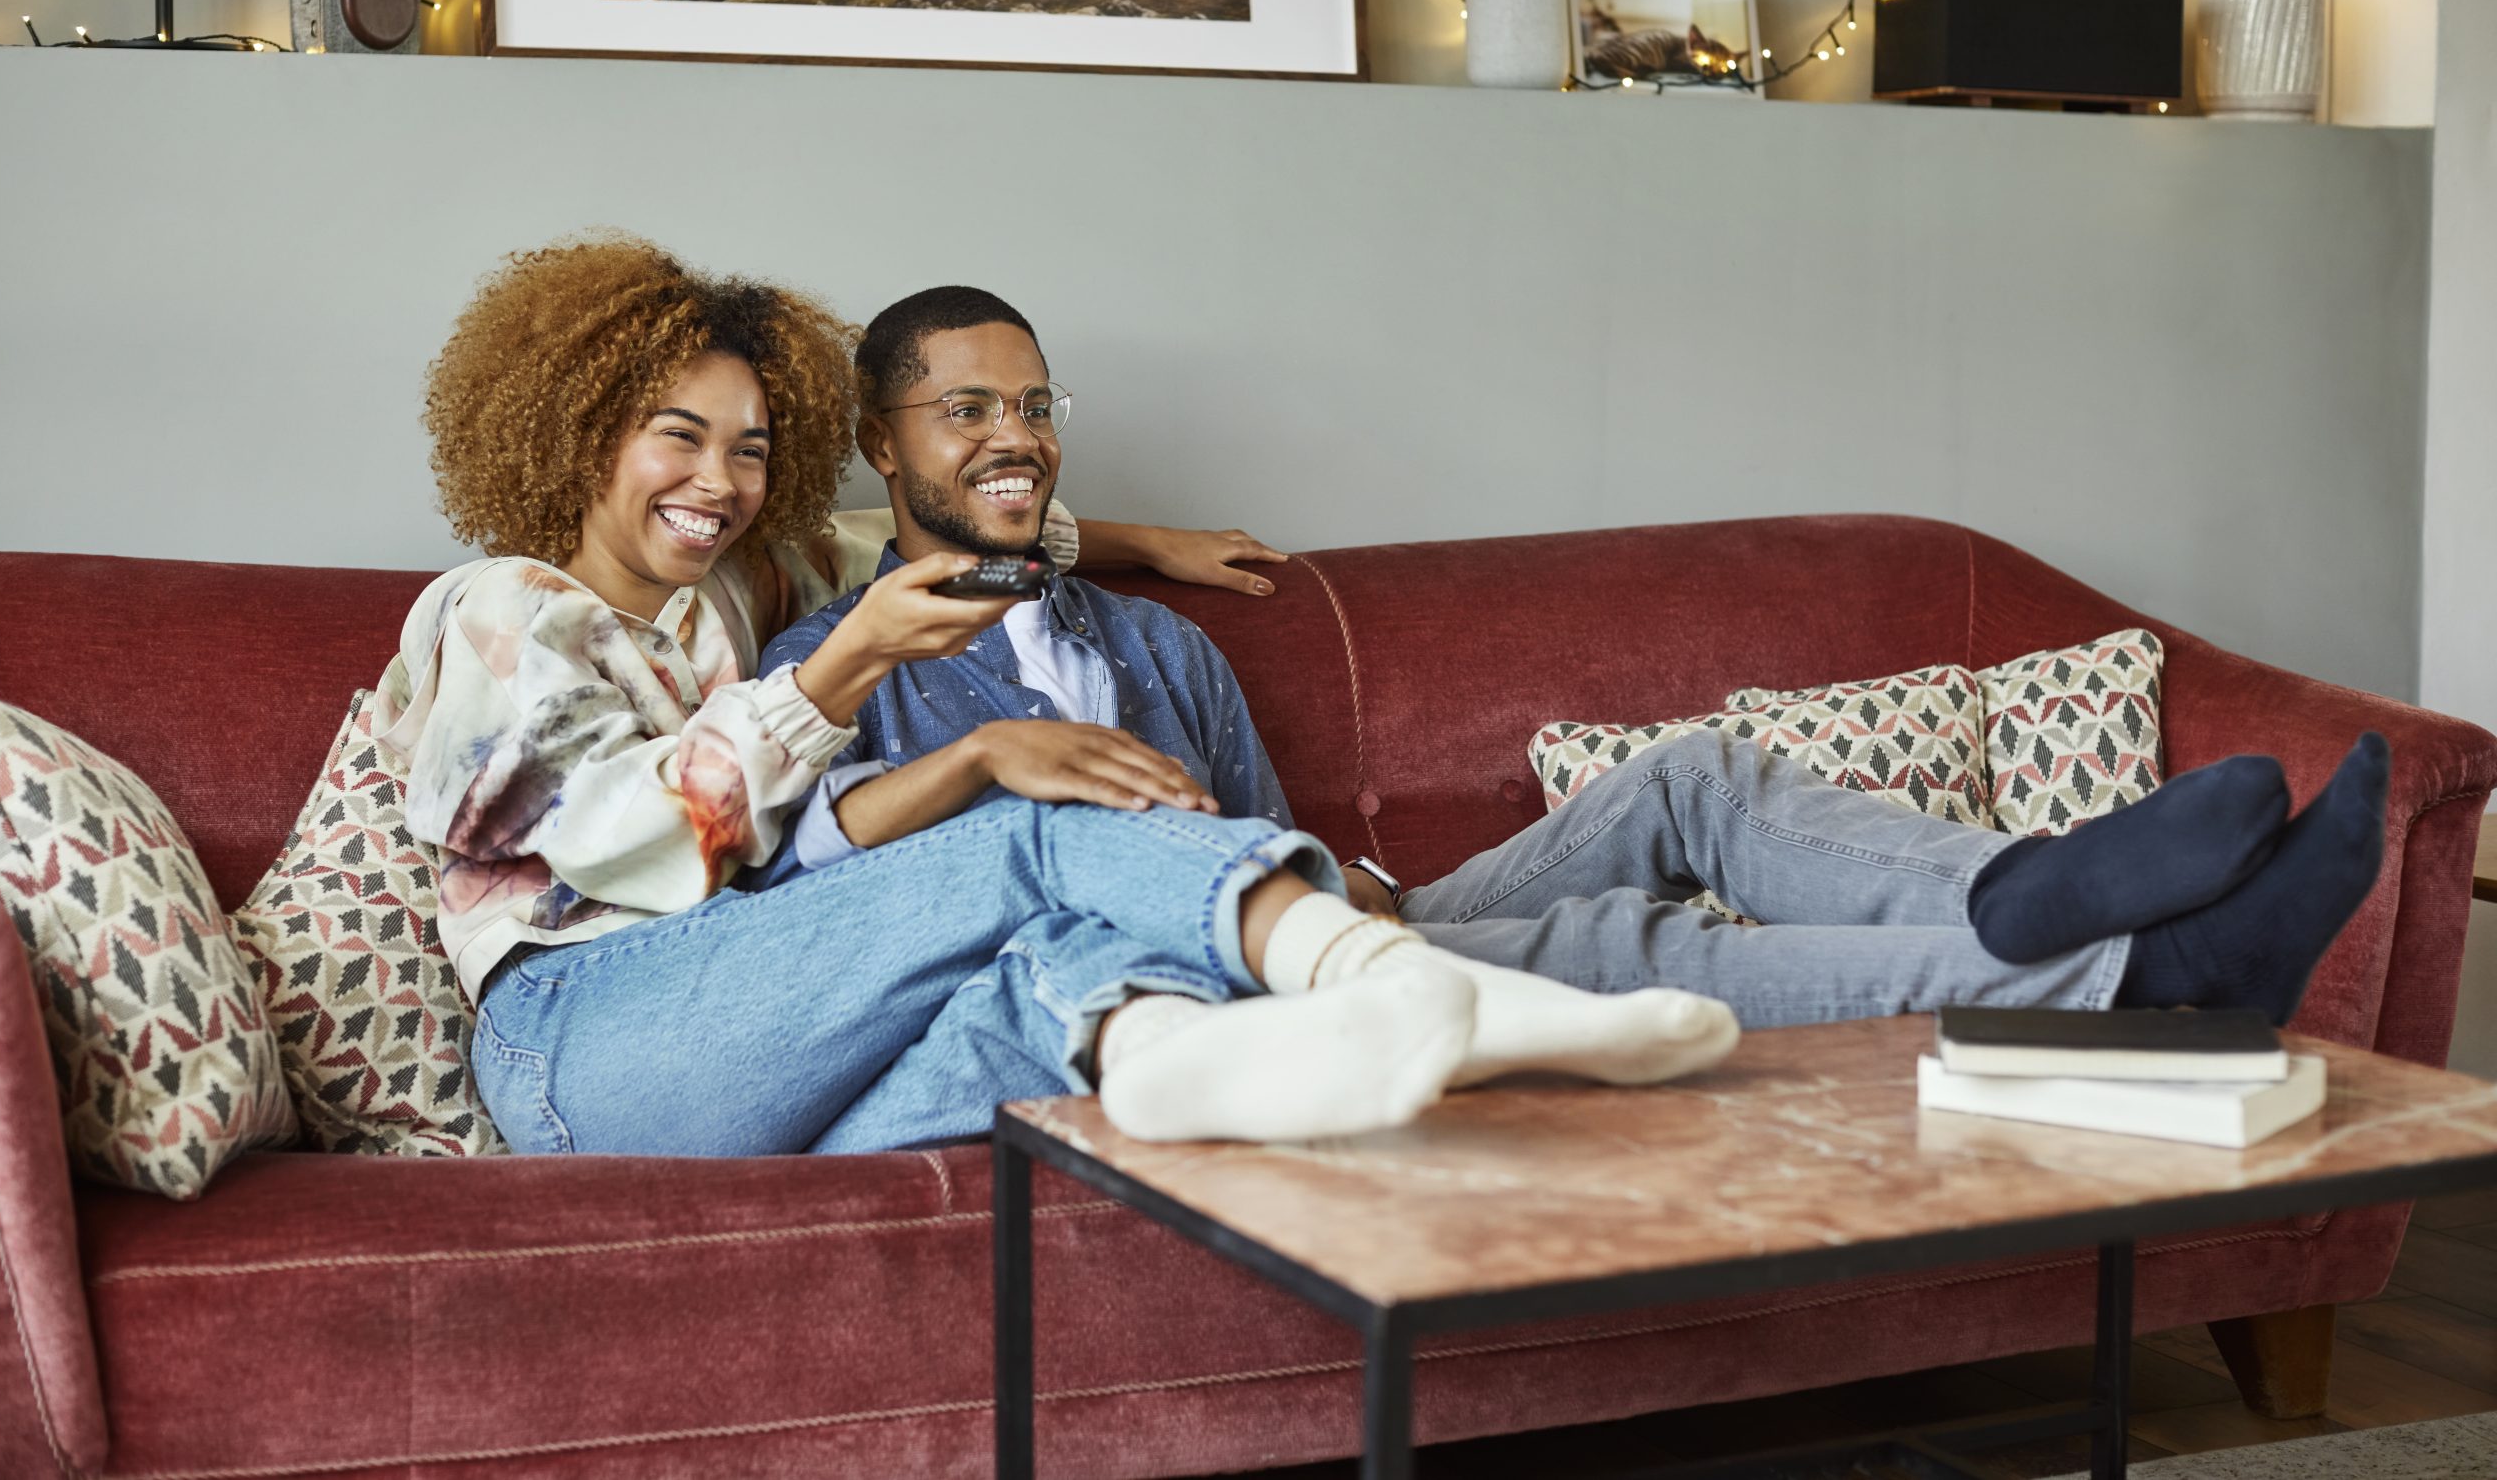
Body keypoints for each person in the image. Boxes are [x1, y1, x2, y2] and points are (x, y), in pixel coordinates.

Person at [755, 284, 2392, 1117]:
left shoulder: (1153, 639)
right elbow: (831, 902)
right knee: (1637, 952)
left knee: (1702, 782)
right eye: (966, 409)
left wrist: (1346, 883)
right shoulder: (841, 676)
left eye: (1035, 404)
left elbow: (1271, 829)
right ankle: (2141, 974)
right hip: (1211, 989)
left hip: (1335, 900)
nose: (1015, 435)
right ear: (881, 448)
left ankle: (2027, 887)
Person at [370, 234, 1723, 1163]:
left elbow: (947, 535)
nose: (716, 482)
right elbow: (628, 831)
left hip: (763, 1048)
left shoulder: (737, 590)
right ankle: (1413, 982)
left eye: (750, 450)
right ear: (577, 426)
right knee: (1019, 833)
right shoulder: (499, 612)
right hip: (581, 1038)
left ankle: (1212, 1061)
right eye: (678, 436)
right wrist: (848, 674)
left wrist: (1146, 546)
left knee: (1046, 981)